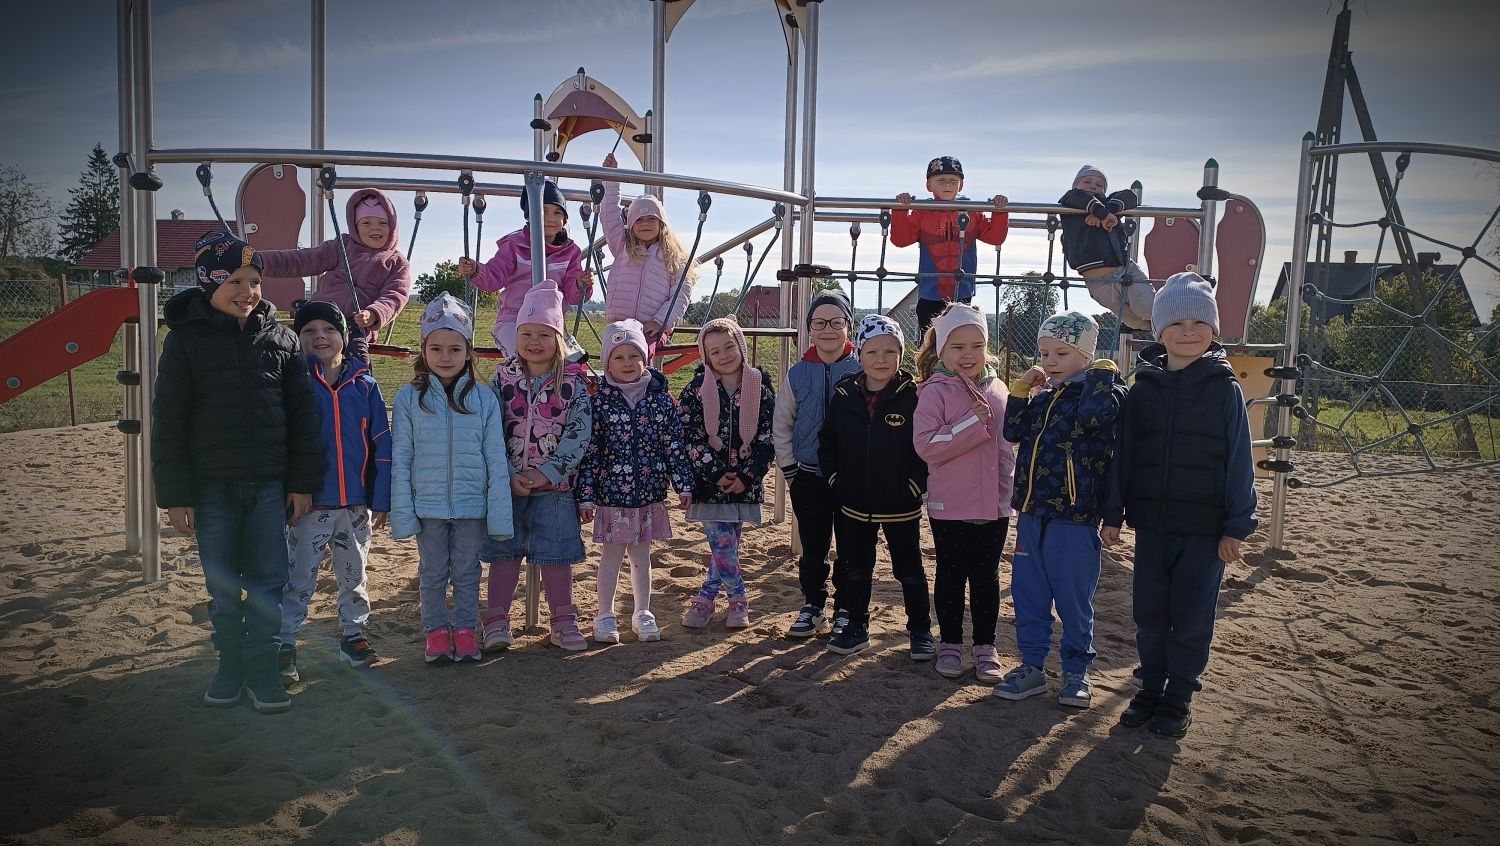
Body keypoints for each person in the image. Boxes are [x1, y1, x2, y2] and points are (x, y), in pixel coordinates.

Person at [153, 230, 323, 713]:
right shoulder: (186, 342)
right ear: (209, 283)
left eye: (255, 281)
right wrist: (175, 494)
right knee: (223, 584)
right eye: (235, 281)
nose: (248, 291)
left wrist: (300, 483)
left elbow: (302, 418)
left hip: (269, 485)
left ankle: (263, 668)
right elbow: (169, 421)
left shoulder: (281, 339)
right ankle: (230, 665)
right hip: (212, 487)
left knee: (269, 579)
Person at [1102, 272, 1258, 738]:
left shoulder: (1224, 388)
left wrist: (1237, 525)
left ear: (1214, 329)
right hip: (1153, 525)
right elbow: (1124, 454)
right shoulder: (1143, 388)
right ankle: (1150, 687)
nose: (1188, 331)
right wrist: (1113, 514)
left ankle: (1179, 695)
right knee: (1150, 613)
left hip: (1206, 530)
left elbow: (1239, 459)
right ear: (1159, 331)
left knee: (1191, 618)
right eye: (1176, 323)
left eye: (1198, 322)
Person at [993, 311, 1127, 707]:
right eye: (1045, 353)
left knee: (1072, 599)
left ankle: (1076, 671)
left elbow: (1093, 418)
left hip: (1075, 517)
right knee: (1028, 593)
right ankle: (1032, 666)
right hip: (1032, 512)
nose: (1050, 362)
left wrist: (1101, 375)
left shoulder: (1102, 394)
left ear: (1086, 355)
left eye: (1062, 353)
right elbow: (1012, 432)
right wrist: (1021, 390)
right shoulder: (1045, 395)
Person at [390, 293, 512, 665]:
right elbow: (401, 458)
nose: (446, 357)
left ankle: (464, 630)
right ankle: (436, 633)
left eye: (455, 349)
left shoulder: (484, 399)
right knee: (431, 573)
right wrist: (403, 513)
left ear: (469, 352)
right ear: (423, 349)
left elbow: (496, 459)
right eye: (437, 348)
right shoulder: (409, 399)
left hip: (472, 506)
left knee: (467, 573)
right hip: (427, 507)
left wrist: (499, 515)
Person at [278, 301, 392, 685]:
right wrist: (292, 491)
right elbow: (286, 444)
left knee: (353, 573)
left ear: (343, 336)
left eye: (328, 329)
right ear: (298, 338)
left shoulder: (365, 385)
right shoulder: (294, 384)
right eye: (309, 330)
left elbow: (382, 443)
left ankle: (352, 636)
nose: (320, 336)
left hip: (355, 504)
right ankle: (285, 641)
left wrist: (380, 498)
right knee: (298, 576)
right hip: (309, 505)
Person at [481, 280, 595, 652]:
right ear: (515, 337)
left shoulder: (572, 383)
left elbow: (578, 434)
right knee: (504, 554)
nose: (534, 341)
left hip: (556, 489)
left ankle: (563, 620)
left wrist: (547, 473)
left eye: (544, 334)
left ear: (558, 339)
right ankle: (497, 621)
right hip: (508, 486)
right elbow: (489, 430)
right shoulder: (503, 379)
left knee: (556, 556)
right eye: (526, 333)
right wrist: (507, 473)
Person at [818, 314, 933, 658]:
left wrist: (914, 484)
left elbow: (925, 447)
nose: (881, 359)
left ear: (901, 354)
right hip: (854, 502)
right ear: (859, 355)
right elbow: (828, 441)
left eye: (890, 351)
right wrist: (836, 480)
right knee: (855, 569)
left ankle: (920, 630)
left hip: (900, 504)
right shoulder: (844, 395)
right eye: (872, 351)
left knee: (909, 570)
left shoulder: (913, 397)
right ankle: (857, 626)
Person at [912, 303, 1016, 682]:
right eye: (958, 347)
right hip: (951, 505)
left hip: (994, 504)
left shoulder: (999, 388)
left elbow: (1010, 441)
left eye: (977, 345)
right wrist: (972, 422)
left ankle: (985, 646)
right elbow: (927, 445)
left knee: (987, 578)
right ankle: (951, 644)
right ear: (942, 350)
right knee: (952, 576)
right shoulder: (934, 392)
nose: (968, 354)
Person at [576, 319, 694, 644]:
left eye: (634, 356)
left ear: (645, 358)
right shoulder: (600, 402)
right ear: (607, 362)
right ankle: (604, 614)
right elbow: (591, 452)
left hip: (649, 495)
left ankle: (643, 612)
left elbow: (673, 445)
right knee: (611, 556)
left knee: (642, 557)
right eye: (619, 357)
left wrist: (683, 485)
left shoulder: (660, 401)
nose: (627, 363)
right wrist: (585, 496)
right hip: (612, 496)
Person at [772, 291, 861, 639]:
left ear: (848, 325)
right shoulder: (798, 373)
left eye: (836, 322)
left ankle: (845, 609)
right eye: (820, 323)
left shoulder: (860, 369)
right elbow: (783, 424)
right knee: (813, 547)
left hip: (851, 476)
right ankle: (813, 605)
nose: (828, 330)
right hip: (809, 475)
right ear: (809, 328)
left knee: (850, 547)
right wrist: (790, 469)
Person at [678, 316, 776, 629]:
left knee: (727, 546)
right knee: (722, 545)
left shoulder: (760, 388)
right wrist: (716, 474)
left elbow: (768, 438)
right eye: (715, 351)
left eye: (729, 347)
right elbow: (690, 437)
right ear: (705, 356)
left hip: (744, 483)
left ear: (741, 346)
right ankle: (738, 598)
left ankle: (707, 596)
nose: (724, 355)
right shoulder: (696, 390)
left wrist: (747, 476)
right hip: (710, 484)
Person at [257, 189, 412, 359]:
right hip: (321, 311)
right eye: (366, 222)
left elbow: (395, 295)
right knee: (291, 347)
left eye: (383, 223)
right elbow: (303, 260)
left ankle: (360, 376)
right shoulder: (342, 247)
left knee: (357, 354)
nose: (375, 227)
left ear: (393, 226)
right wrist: (260, 260)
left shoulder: (396, 262)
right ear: (355, 226)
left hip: (355, 322)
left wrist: (374, 313)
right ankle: (294, 371)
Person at [457, 180, 593, 356]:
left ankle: (563, 368)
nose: (550, 218)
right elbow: (494, 277)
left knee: (565, 361)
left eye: (557, 212)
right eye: (543, 211)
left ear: (565, 220)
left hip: (550, 321)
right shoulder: (514, 245)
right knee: (523, 356)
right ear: (530, 215)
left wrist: (581, 284)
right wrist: (476, 270)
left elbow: (573, 296)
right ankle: (516, 373)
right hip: (513, 319)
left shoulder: (570, 252)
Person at [892, 156, 1010, 339]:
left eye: (953, 180)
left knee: (958, 340)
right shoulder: (922, 211)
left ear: (961, 185)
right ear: (929, 185)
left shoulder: (972, 211)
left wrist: (999, 211)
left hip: (962, 290)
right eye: (940, 180)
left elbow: (995, 237)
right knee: (929, 342)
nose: (947, 185)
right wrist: (900, 210)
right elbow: (900, 240)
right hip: (930, 292)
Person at [599, 152, 698, 355]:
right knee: (615, 356)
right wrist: (611, 179)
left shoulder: (674, 255)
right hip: (620, 323)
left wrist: (660, 321)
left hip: (652, 325)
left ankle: (646, 377)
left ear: (661, 224)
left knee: (641, 354)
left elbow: (681, 293)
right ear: (630, 225)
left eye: (651, 219)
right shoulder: (623, 246)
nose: (645, 224)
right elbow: (609, 215)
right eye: (639, 220)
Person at [1058, 164, 1153, 332]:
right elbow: (1077, 197)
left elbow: (1131, 197)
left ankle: (1170, 326)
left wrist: (1108, 212)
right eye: (1087, 182)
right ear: (1075, 185)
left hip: (1124, 270)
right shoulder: (1070, 204)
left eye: (1099, 184)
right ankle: (1161, 333)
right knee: (1132, 321)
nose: (1093, 186)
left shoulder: (1109, 204)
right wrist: (1101, 212)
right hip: (1097, 283)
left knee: (1148, 308)